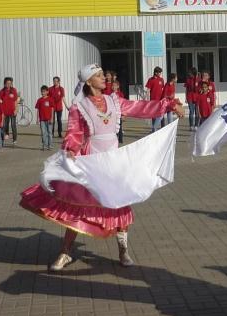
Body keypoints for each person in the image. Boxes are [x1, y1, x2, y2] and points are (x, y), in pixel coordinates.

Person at [21, 64, 183, 269]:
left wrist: (168, 105)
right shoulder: (80, 106)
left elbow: (140, 107)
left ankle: (123, 251)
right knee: (79, 206)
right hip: (91, 160)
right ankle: (65, 251)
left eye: (103, 74)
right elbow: (74, 132)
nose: (104, 78)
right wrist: (70, 149)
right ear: (89, 82)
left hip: (113, 160)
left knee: (120, 201)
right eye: (98, 76)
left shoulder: (113, 101)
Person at [0, 77, 20, 146]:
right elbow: (0, 102)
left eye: (10, 83)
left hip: (12, 111)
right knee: (5, 125)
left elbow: (16, 101)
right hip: (5, 112)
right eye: (7, 83)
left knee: (13, 125)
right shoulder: (1, 91)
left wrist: (16, 110)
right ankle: (5, 136)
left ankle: (14, 140)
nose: (8, 84)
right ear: (4, 84)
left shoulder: (14, 90)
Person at [145, 67, 166, 132]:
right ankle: (154, 128)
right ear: (155, 72)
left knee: (161, 113)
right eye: (159, 72)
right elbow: (148, 90)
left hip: (160, 100)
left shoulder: (161, 79)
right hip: (153, 100)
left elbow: (163, 89)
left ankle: (163, 128)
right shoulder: (150, 80)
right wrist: (148, 99)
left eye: (160, 72)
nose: (160, 74)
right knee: (153, 115)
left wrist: (164, 98)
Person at [35, 85, 54, 150]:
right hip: (42, 120)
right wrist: (37, 119)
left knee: (49, 132)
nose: (43, 93)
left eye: (44, 91)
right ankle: (44, 145)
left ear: (47, 92)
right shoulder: (39, 100)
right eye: (42, 92)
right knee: (43, 133)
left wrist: (52, 118)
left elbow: (52, 109)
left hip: (49, 119)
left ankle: (50, 145)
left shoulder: (50, 99)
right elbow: (38, 110)